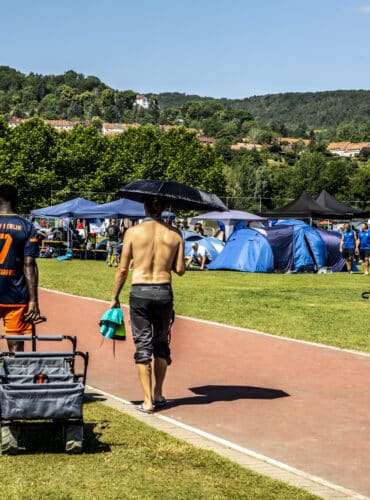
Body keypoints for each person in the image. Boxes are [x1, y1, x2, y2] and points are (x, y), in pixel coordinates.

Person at [110, 197, 185, 413]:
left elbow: (123, 269)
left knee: (143, 344)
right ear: (163, 208)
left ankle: (147, 401)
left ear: (144, 207)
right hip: (163, 291)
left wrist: (115, 296)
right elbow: (180, 269)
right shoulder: (175, 234)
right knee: (161, 342)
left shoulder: (132, 233)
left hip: (140, 291)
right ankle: (159, 392)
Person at [0, 184, 41, 352]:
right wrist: (33, 300)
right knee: (16, 347)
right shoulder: (27, 226)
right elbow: (29, 265)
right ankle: (16, 378)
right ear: (15, 200)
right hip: (16, 294)